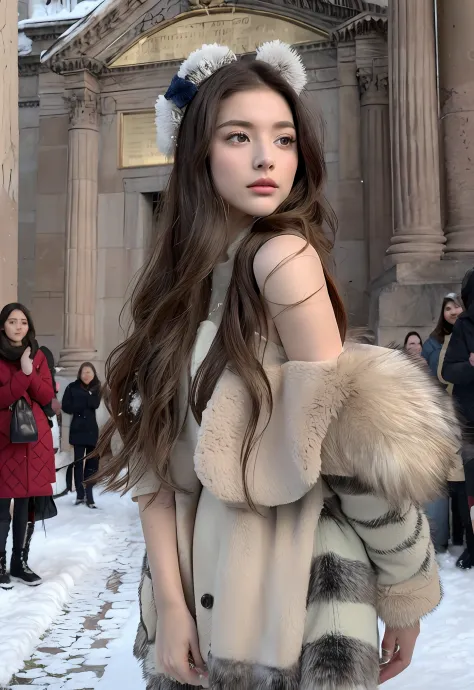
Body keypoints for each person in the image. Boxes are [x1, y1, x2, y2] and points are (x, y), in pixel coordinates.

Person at [95, 43, 459, 688]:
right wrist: (173, 610)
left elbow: (351, 444)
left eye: (285, 138)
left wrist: (405, 589)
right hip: (201, 603)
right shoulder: (180, 291)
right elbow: (156, 466)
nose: (268, 158)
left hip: (301, 608)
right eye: (239, 135)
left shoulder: (284, 259)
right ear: (197, 152)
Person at [0, 303, 55, 589]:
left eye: (23, 321)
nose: (18, 326)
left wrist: (29, 370)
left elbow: (46, 394)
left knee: (26, 505)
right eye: (12, 321)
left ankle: (19, 562)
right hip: (4, 439)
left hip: (33, 440)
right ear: (3, 326)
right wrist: (22, 375)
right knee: (0, 505)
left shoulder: (39, 356)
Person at [421, 294, 466, 553]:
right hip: (441, 415)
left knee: (462, 481)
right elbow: (428, 379)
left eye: (456, 306)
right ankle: (439, 539)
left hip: (464, 414)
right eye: (448, 307)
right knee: (441, 478)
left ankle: (462, 536)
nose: (453, 311)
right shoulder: (432, 343)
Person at [443, 269, 474, 569]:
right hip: (470, 421)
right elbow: (448, 370)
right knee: (469, 488)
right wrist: (470, 365)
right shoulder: (465, 325)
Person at [61, 363, 101, 509]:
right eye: (84, 372)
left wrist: (82, 398)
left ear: (94, 374)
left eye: (89, 372)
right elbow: (66, 406)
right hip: (77, 429)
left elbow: (95, 404)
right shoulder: (72, 387)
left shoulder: (96, 387)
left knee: (91, 464)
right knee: (78, 463)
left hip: (91, 430)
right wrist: (82, 403)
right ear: (79, 373)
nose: (86, 375)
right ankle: (79, 494)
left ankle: (89, 496)